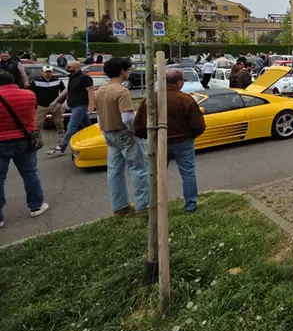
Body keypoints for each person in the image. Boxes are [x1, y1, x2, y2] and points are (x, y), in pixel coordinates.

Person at [134, 68, 206, 213]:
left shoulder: (150, 99)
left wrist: (149, 137)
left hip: (158, 141)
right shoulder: (186, 99)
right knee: (188, 172)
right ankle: (190, 205)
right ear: (179, 82)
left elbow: (140, 124)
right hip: (183, 141)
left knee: (156, 174)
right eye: (183, 81)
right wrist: (190, 135)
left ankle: (153, 205)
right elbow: (198, 125)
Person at [94, 57, 149, 215]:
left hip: (108, 133)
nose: (129, 72)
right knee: (139, 169)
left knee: (114, 170)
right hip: (125, 133)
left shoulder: (100, 91)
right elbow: (127, 117)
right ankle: (143, 205)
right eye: (128, 69)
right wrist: (136, 131)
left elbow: (99, 115)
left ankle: (120, 206)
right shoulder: (121, 91)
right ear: (122, 71)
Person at [0, 71, 50, 226]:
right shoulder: (29, 95)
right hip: (25, 140)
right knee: (30, 174)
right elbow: (31, 112)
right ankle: (36, 206)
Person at [46, 61, 94, 156]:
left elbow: (91, 91)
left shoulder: (85, 78)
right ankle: (95, 139)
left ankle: (61, 147)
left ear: (76, 68)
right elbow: (67, 90)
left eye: (69, 67)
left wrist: (91, 105)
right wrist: (56, 100)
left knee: (71, 127)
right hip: (73, 104)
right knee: (87, 126)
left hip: (81, 105)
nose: (67, 68)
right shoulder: (72, 76)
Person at [31, 66, 66, 145]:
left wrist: (60, 103)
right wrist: (35, 104)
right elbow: (31, 93)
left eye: (49, 72)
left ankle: (61, 135)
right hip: (41, 105)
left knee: (59, 121)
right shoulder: (36, 82)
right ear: (42, 72)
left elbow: (64, 92)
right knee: (37, 123)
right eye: (46, 72)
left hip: (55, 105)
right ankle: (37, 138)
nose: (48, 73)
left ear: (52, 72)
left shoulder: (58, 81)